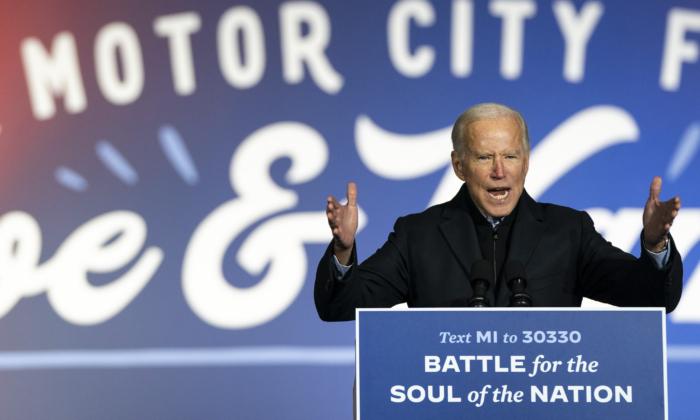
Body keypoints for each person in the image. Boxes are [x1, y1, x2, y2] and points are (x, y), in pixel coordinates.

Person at [315, 103, 683, 321]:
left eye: (510, 156)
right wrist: (343, 251)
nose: (499, 171)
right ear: (459, 166)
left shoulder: (569, 231)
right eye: (483, 157)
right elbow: (341, 306)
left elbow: (652, 299)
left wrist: (655, 245)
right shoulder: (419, 236)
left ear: (526, 162)